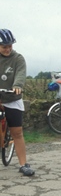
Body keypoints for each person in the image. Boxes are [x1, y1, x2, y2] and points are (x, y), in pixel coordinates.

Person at [0, 29, 34, 176]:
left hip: (12, 98)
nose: (8, 49)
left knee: (17, 132)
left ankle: (23, 164)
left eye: (10, 46)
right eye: (4, 47)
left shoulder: (18, 58)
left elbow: (20, 73)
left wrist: (17, 86)